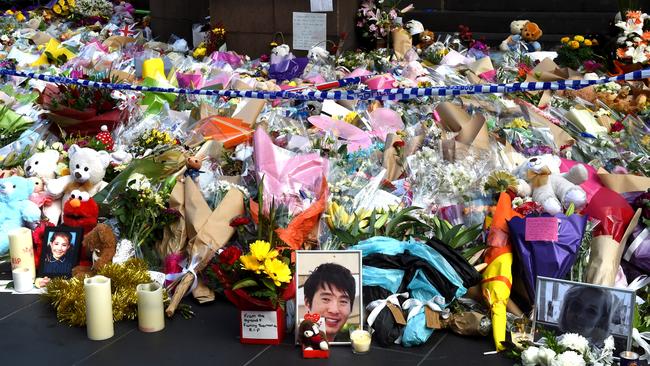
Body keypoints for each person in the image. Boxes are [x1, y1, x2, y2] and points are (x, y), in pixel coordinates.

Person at [303, 263, 356, 342]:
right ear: (308, 303)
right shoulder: (297, 343)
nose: (334, 310)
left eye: (343, 301)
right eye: (326, 299)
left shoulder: (350, 344)